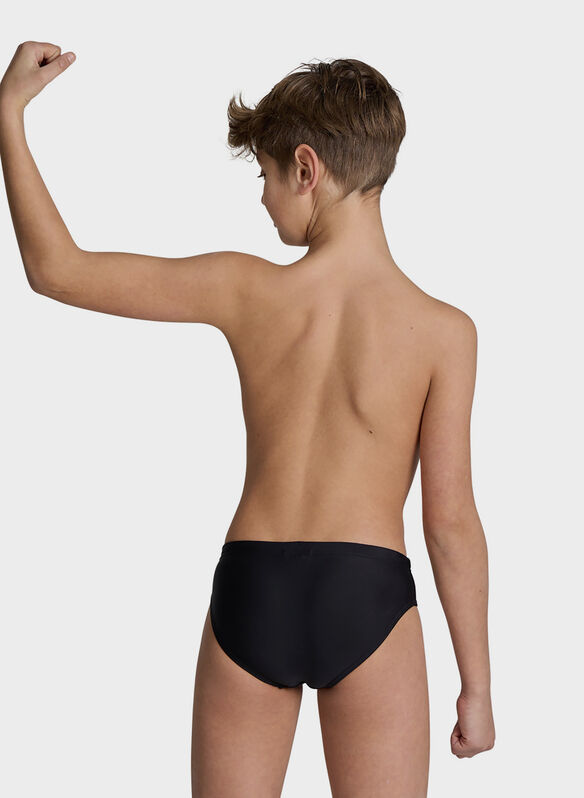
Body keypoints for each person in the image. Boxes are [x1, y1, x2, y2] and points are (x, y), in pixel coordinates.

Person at [0, 42, 495, 797]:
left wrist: (8, 114)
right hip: (367, 595)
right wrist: (477, 687)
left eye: (264, 176)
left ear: (307, 169)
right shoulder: (443, 331)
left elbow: (56, 271)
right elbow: (449, 521)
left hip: (253, 588)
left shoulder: (245, 289)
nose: (263, 200)